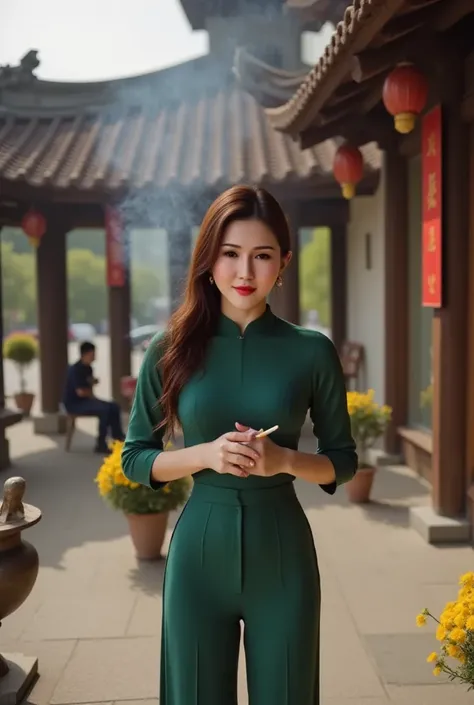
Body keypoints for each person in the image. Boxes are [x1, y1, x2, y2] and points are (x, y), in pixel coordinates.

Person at [122, 185, 357, 705]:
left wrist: (286, 461)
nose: (244, 271)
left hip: (283, 552)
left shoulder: (311, 351)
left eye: (261, 256)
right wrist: (205, 455)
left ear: (284, 263)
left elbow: (343, 461)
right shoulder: (170, 348)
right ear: (208, 260)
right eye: (230, 254)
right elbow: (135, 458)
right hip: (199, 554)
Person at [63, 341, 125, 453]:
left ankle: (118, 438)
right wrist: (91, 390)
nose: (94, 356)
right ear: (85, 354)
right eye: (92, 354)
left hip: (86, 401)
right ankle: (101, 444)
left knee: (114, 406)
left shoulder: (89, 368)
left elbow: (88, 389)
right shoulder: (75, 369)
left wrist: (92, 385)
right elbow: (80, 392)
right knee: (104, 409)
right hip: (74, 404)